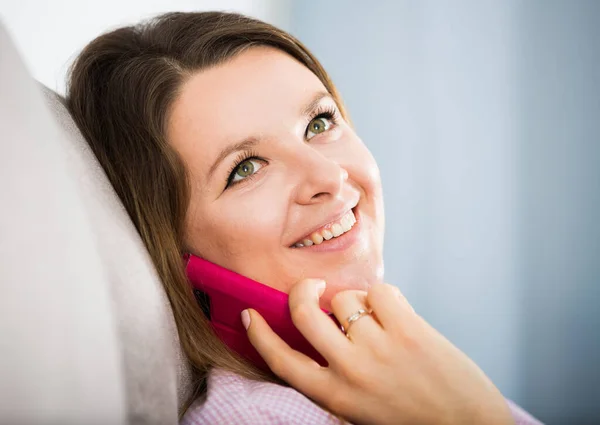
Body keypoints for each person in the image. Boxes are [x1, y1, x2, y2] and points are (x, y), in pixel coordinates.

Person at [66, 11, 542, 425]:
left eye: (319, 123)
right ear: (174, 251)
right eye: (245, 168)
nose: (329, 176)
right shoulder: (252, 418)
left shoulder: (402, 373)